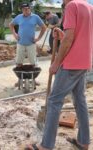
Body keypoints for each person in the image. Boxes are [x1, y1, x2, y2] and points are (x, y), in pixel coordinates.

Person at [25, 0, 93, 149]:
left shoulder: (71, 6)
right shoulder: (89, 7)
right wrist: (63, 36)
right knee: (80, 101)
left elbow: (70, 39)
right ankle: (84, 141)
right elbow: (79, 36)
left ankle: (46, 145)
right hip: (84, 61)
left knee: (54, 101)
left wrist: (56, 63)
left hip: (71, 63)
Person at [9, 2, 46, 86]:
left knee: (33, 63)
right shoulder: (19, 17)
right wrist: (15, 35)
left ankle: (33, 80)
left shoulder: (35, 17)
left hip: (31, 44)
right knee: (19, 63)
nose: (25, 10)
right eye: (23, 9)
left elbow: (43, 27)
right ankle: (19, 80)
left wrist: (38, 38)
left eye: (27, 9)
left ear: (30, 8)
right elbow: (11, 25)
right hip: (20, 43)